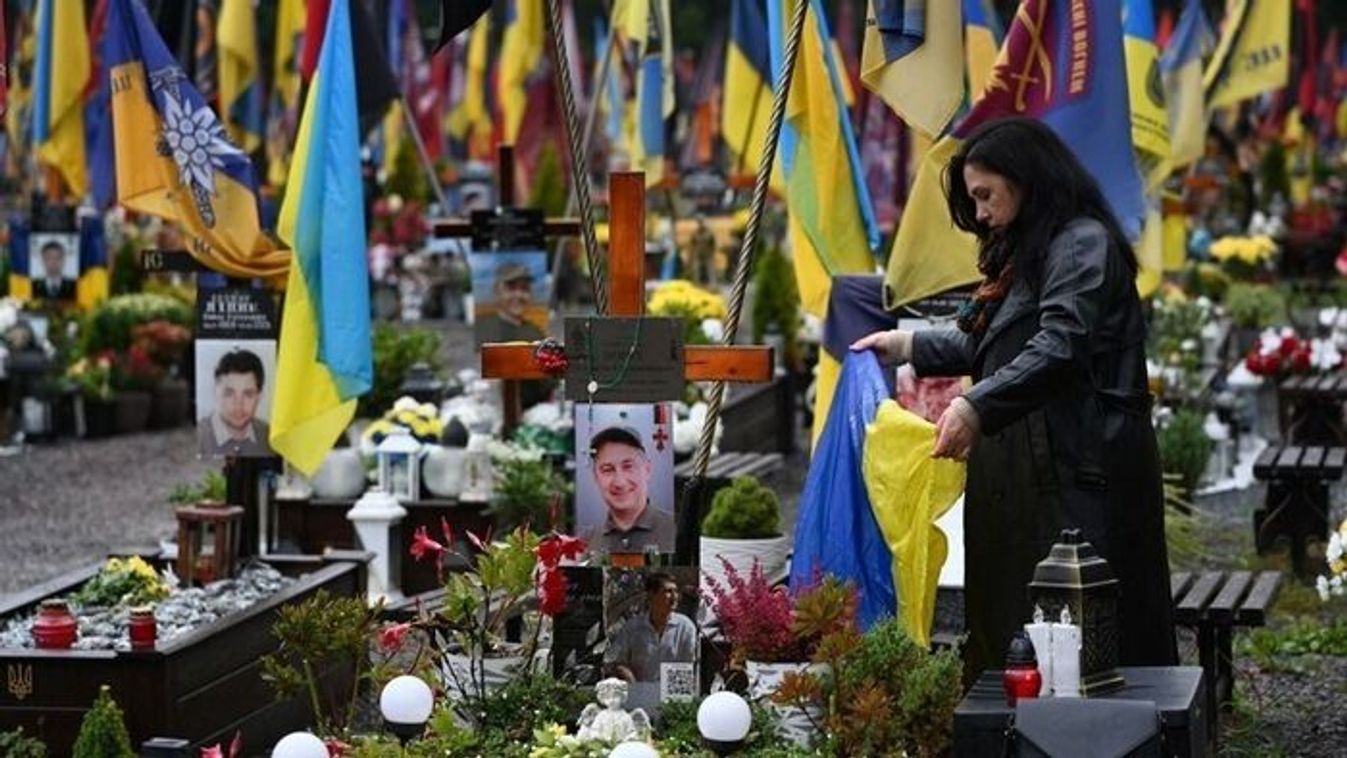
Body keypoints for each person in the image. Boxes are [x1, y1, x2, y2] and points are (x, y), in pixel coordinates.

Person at [851, 118, 1177, 683]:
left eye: (985, 195)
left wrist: (974, 407)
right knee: (1020, 613)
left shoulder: (1082, 244)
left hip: (1082, 468)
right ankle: (1017, 711)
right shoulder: (1030, 247)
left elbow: (1059, 343)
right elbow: (993, 340)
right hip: (1034, 464)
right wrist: (904, 346)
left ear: (1025, 178)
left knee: (1086, 623)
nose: (979, 213)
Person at [582, 426, 675, 555]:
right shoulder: (586, 543)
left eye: (628, 467)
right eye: (608, 470)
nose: (619, 482)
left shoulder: (678, 530)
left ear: (647, 470)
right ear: (596, 477)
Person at [605, 572, 697, 683]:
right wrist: (632, 681)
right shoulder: (632, 627)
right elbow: (617, 661)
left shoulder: (686, 627)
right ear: (651, 595)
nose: (675, 597)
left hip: (673, 689)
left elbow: (687, 666)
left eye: (676, 591)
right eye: (668, 591)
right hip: (638, 689)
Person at [197, 349, 272, 457]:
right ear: (215, 393)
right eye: (229, 393)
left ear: (259, 396)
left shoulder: (270, 437)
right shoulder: (196, 437)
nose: (238, 405)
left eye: (248, 394)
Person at [475, 262, 545, 345]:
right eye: (511, 288)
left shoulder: (536, 335)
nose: (518, 295)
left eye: (524, 288)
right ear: (496, 291)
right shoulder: (480, 330)